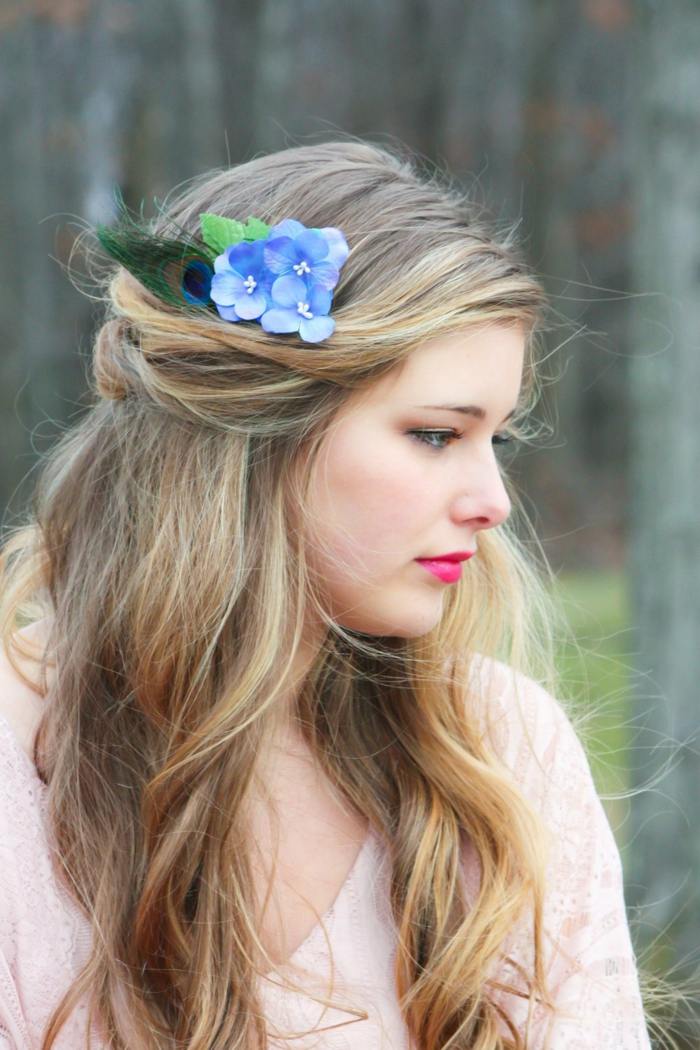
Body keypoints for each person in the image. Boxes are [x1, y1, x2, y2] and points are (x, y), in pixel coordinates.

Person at [0, 139, 652, 1049]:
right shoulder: (17, 775)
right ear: (254, 434)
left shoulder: (499, 757)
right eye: (434, 435)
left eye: (494, 440)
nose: (494, 503)